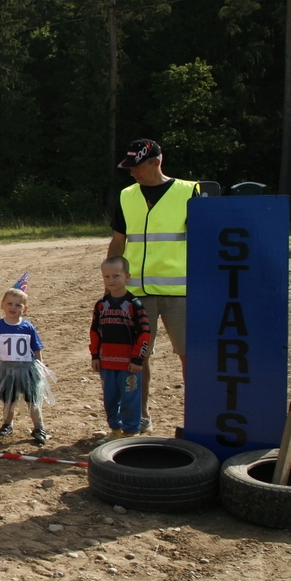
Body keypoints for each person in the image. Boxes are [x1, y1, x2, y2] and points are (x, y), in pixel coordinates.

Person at [106, 138, 200, 433]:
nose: (132, 172)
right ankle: (139, 418)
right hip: (138, 294)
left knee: (192, 357)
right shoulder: (126, 196)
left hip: (180, 293)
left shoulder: (190, 192)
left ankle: (198, 419)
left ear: (156, 162)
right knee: (137, 359)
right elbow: (119, 241)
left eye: (137, 167)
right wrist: (112, 284)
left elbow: (205, 240)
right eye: (129, 167)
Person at [0, 279, 53, 446]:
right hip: (7, 369)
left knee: (32, 399)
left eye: (18, 305)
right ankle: (7, 424)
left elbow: (36, 347)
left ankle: (39, 427)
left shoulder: (28, 327)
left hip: (27, 369)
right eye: (10, 304)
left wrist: (40, 367)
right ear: (2, 305)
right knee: (8, 399)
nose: (13, 307)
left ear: (25, 309)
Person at [91, 255, 152, 439]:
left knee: (130, 400)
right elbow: (94, 332)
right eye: (106, 277)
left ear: (127, 277)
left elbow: (144, 334)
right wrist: (95, 356)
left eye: (116, 276)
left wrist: (137, 359)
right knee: (110, 399)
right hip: (107, 363)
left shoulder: (134, 304)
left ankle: (131, 432)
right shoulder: (101, 305)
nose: (111, 280)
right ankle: (115, 431)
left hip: (128, 365)